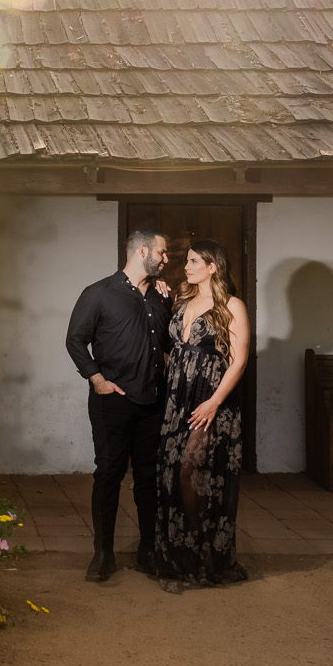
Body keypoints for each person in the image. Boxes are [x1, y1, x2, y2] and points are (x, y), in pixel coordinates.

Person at [64, 228, 172, 583]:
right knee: (108, 475)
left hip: (153, 402)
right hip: (112, 402)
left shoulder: (160, 296)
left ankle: (148, 552)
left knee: (148, 478)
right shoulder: (98, 294)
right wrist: (97, 380)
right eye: (163, 253)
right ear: (143, 251)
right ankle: (103, 554)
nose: (166, 260)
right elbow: (76, 341)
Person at [153, 238, 255, 592]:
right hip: (176, 398)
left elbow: (239, 360)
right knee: (169, 472)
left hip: (210, 399)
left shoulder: (232, 306)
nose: (187, 266)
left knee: (191, 473)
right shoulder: (181, 301)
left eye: (195, 261)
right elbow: (173, 349)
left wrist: (213, 402)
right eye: (188, 261)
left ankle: (204, 555)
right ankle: (180, 559)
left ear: (213, 266)